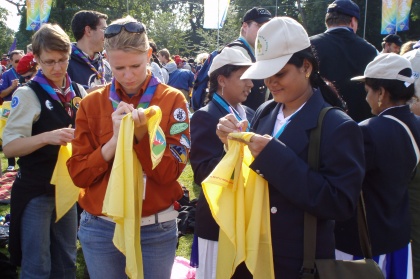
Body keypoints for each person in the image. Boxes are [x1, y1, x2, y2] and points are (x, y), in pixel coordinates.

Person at [215, 17, 365, 278]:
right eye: (266, 74)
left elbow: (340, 204)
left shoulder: (338, 125)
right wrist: (232, 141)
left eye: (280, 73)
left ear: (306, 67)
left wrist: (275, 158)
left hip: (297, 263)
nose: (271, 83)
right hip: (251, 253)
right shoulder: (265, 111)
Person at [67, 16, 190, 279]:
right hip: (102, 228)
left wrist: (142, 137)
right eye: (118, 67)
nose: (128, 76)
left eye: (136, 65)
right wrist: (113, 142)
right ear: (107, 59)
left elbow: (170, 173)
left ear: (149, 55)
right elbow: (78, 174)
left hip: (154, 227)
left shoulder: (172, 100)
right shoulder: (91, 104)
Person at [2, 23, 87, 278]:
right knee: (37, 266)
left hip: (67, 189)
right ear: (36, 59)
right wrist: (47, 137)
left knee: (66, 261)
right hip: (36, 190)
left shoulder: (77, 92)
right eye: (49, 62)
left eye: (63, 60)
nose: (58, 68)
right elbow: (10, 147)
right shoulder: (28, 94)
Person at [335, 53, 419, 279]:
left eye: (368, 91)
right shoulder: (415, 124)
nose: (366, 99)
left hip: (364, 244)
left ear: (381, 92)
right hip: (398, 236)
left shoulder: (368, 131)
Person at [190, 47, 254, 279]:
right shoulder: (205, 116)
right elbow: (201, 173)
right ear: (222, 80)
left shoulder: (250, 113)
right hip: (217, 223)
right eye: (244, 77)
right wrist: (233, 151)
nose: (251, 84)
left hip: (246, 218)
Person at [310, 0, 378, 122]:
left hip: (316, 125)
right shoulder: (371, 51)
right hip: (360, 126)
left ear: (327, 21)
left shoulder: (308, 46)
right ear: (352, 21)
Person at [229, 6, 272, 111]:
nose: (264, 31)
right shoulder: (236, 51)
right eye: (260, 26)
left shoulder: (258, 52)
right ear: (245, 26)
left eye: (268, 27)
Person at [68, 10, 112, 92]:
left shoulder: (106, 65)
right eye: (104, 29)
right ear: (88, 30)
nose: (107, 34)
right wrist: (87, 96)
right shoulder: (66, 64)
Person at [0, 49, 24, 171]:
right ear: (10, 61)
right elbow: (2, 94)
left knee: (25, 133)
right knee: (9, 133)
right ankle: (11, 162)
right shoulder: (7, 74)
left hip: (25, 107)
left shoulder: (28, 72)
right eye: (16, 61)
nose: (20, 63)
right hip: (11, 108)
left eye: (22, 59)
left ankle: (24, 161)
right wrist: (12, 87)